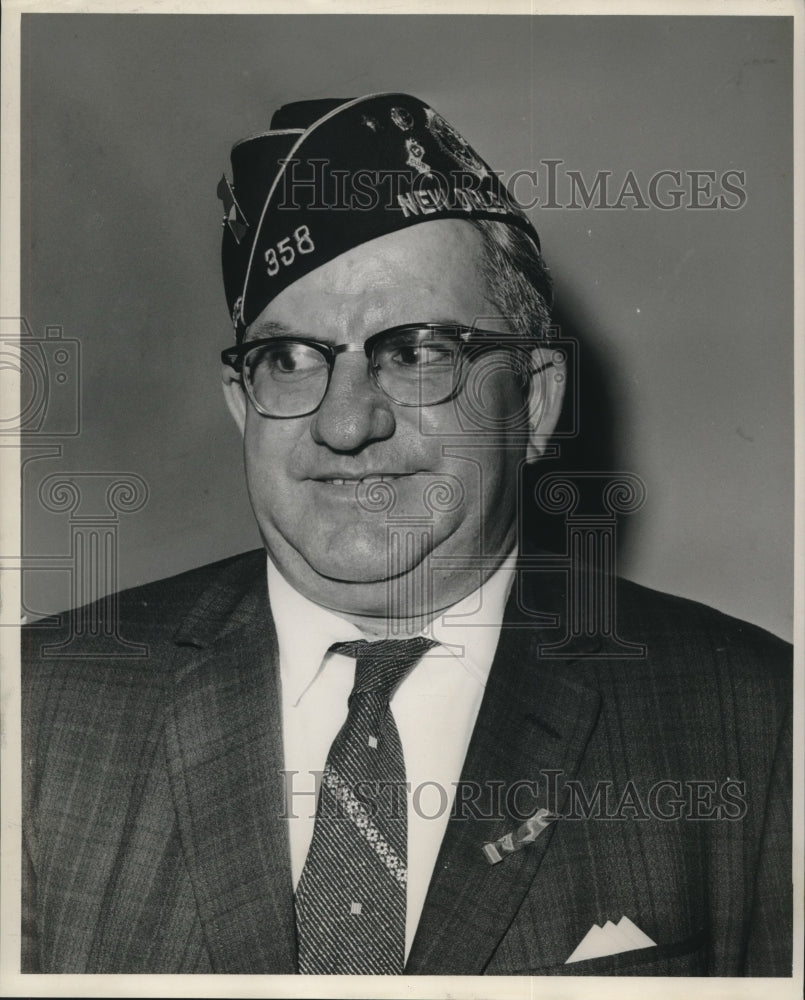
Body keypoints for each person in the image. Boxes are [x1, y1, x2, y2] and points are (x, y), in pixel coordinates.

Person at [21, 92, 792, 976]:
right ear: (242, 407)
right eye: (289, 358)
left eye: (418, 352)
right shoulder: (43, 713)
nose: (345, 424)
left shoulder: (755, 721)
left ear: (534, 401)